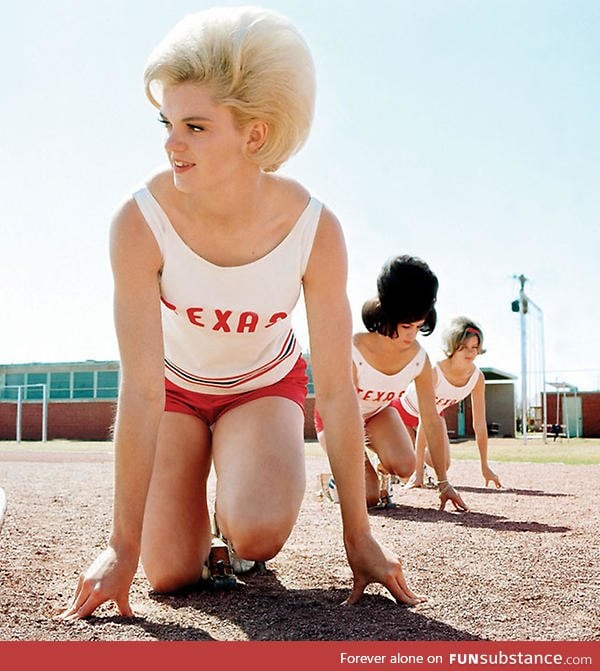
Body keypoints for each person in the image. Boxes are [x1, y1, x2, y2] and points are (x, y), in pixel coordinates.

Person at [60, 6, 424, 620]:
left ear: (255, 135)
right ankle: (194, 535)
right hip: (174, 392)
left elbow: (336, 391)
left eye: (195, 127)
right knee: (168, 571)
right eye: (167, 121)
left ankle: (237, 530)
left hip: (261, 388)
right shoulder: (138, 223)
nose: (171, 143)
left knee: (257, 531)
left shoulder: (315, 230)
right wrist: (120, 546)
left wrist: (357, 537)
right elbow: (142, 390)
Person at [315, 255, 470, 512]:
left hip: (376, 414)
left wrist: (444, 483)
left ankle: (371, 475)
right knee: (367, 496)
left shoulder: (419, 359)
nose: (412, 335)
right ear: (387, 314)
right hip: (337, 420)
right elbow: (343, 415)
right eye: (406, 325)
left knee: (408, 467)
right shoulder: (353, 350)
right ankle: (334, 482)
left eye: (419, 326)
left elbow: (431, 419)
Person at [394, 317, 502, 489]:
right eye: (464, 347)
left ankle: (411, 463)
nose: (470, 352)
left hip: (434, 414)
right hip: (403, 411)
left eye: (475, 347)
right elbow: (425, 419)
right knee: (403, 463)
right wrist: (418, 475)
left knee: (443, 464)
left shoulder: (477, 378)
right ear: (453, 346)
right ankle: (392, 466)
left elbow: (479, 425)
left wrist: (485, 466)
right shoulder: (435, 371)